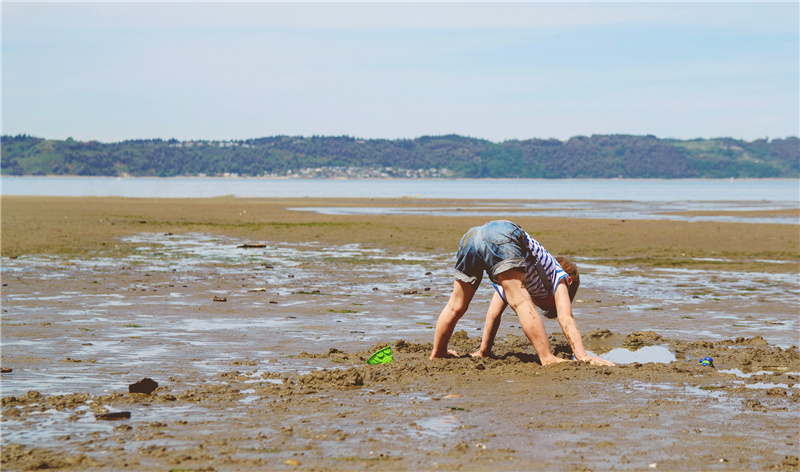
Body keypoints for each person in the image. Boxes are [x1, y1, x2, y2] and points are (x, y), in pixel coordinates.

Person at [429, 220, 615, 367]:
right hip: (503, 232)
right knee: (521, 302)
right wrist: (582, 355)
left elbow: (493, 314)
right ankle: (547, 357)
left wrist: (484, 351)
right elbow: (565, 318)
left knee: (456, 305)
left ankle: (438, 352)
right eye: (549, 305)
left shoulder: (512, 275)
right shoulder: (560, 276)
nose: (539, 303)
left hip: (471, 237)